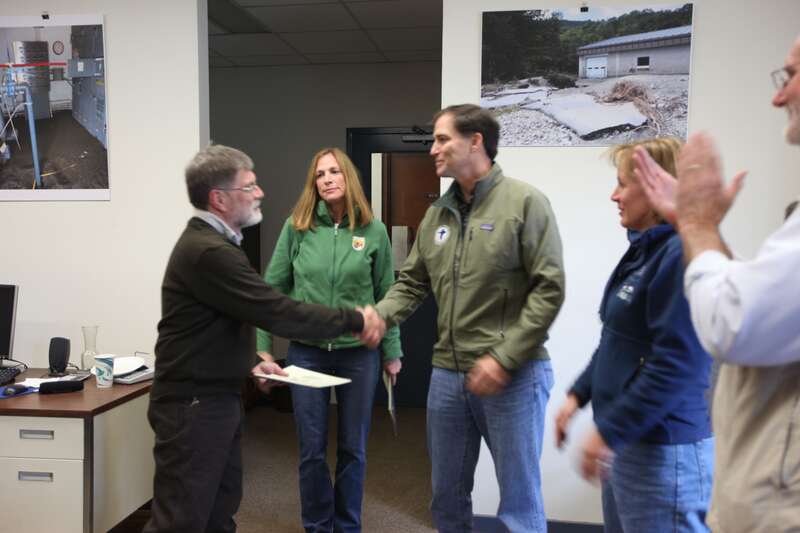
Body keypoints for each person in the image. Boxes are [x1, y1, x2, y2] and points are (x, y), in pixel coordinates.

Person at [144, 144, 383, 533]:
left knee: (218, 513)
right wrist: (355, 319)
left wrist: (254, 361)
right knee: (182, 522)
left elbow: (226, 320)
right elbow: (275, 309)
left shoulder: (221, 245)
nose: (260, 193)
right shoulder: (208, 252)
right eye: (249, 187)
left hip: (216, 399)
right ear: (220, 199)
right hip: (193, 407)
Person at [369, 104, 565, 533]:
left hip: (514, 375)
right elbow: (413, 282)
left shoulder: (525, 202)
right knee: (446, 495)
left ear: (475, 141)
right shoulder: (437, 213)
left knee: (519, 500)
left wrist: (503, 358)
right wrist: (380, 316)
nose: (432, 150)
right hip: (447, 374)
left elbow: (549, 290)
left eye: (442, 139)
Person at [632, 35, 800, 533]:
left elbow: (730, 324)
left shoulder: (668, 256)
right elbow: (760, 305)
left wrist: (697, 224)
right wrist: (696, 226)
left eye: (791, 76)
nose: (778, 97)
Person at [554, 138, 714, 532]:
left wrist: (607, 432)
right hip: (626, 440)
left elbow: (676, 364)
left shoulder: (680, 254)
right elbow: (617, 339)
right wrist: (578, 394)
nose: (614, 196)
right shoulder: (644, 251)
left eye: (623, 184)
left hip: (663, 449)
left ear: (658, 186)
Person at [256, 147, 402, 533]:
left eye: (334, 171)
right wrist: (263, 347)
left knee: (354, 449)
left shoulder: (374, 231)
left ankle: (348, 526)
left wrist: (393, 351)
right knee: (311, 450)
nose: (327, 179)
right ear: (314, 184)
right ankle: (318, 526)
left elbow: (387, 297)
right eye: (320, 174)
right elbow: (270, 290)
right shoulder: (297, 227)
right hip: (307, 354)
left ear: (348, 177)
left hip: (359, 356)